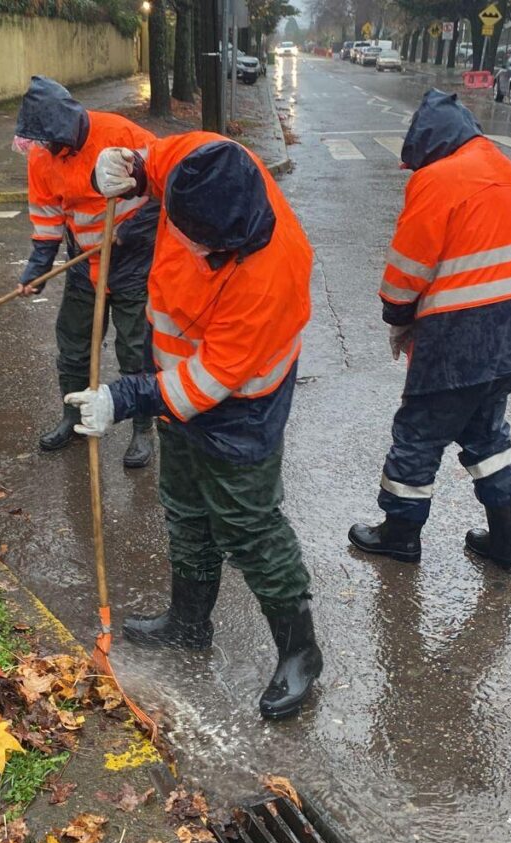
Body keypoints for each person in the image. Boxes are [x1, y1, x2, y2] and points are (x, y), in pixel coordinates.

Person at [66, 133, 322, 721]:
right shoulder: (204, 159)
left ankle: (301, 652)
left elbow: (203, 388)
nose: (183, 245)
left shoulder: (268, 278)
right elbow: (149, 158)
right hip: (171, 371)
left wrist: (122, 397)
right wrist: (124, 169)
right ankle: (188, 622)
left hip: (241, 402)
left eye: (198, 243)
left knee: (247, 524)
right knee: (182, 505)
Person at [348, 90, 511, 569]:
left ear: (429, 147)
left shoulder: (438, 180)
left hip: (458, 338)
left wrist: (396, 313)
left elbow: (408, 266)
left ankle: (399, 534)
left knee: (418, 434)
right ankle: (507, 543)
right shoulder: (510, 172)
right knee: (488, 434)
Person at [14, 76, 159, 468]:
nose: (46, 149)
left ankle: (142, 429)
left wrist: (129, 231)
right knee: (74, 344)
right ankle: (73, 417)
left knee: (135, 350)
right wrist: (37, 270)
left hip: (133, 261)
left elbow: (162, 190)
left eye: (52, 142)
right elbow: (46, 217)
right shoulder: (41, 157)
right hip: (85, 264)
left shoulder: (120, 134)